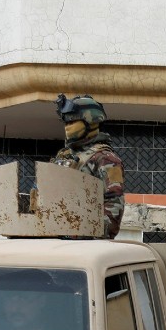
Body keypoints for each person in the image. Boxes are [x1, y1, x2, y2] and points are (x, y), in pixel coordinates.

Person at [52, 93, 126, 239]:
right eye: (66, 123)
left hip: (85, 243)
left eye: (72, 122)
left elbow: (114, 202)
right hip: (56, 237)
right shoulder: (64, 155)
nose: (67, 128)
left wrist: (94, 238)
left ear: (91, 122)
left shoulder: (106, 159)